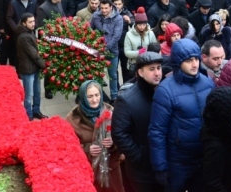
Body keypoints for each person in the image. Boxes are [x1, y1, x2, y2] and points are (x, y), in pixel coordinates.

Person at [149, 39, 215, 192]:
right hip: (178, 161)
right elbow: (157, 131)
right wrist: (160, 167)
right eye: (188, 60)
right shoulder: (165, 90)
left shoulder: (208, 83)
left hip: (203, 156)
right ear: (178, 62)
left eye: (196, 59)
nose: (194, 64)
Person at [113, 52, 164, 192]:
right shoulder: (127, 99)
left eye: (159, 68)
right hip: (142, 171)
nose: (157, 73)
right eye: (151, 69)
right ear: (140, 72)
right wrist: (137, 156)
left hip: (164, 164)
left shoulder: (165, 92)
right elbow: (119, 133)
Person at [67, 80, 124, 192]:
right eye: (90, 96)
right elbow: (68, 146)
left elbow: (122, 136)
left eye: (97, 95)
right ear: (83, 96)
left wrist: (113, 142)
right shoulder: (73, 118)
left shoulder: (110, 111)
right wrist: (87, 149)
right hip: (89, 169)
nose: (94, 100)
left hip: (111, 166)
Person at [15, 12, 48, 120]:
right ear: (24, 23)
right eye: (30, 22)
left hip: (34, 68)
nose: (33, 23)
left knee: (37, 93)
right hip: (28, 70)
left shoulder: (29, 32)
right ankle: (28, 115)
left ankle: (36, 111)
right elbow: (34, 54)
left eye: (34, 21)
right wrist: (44, 65)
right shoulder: (24, 36)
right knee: (29, 95)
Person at [91, 0, 124, 101]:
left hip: (112, 51)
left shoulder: (118, 18)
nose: (104, 10)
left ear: (111, 7)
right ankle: (99, 96)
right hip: (97, 51)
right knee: (98, 76)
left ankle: (114, 97)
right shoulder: (96, 15)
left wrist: (105, 48)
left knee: (113, 75)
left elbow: (116, 36)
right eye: (102, 8)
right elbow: (89, 27)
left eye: (106, 8)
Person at [123, 9, 159, 79]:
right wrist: (138, 52)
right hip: (134, 64)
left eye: (144, 24)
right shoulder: (129, 34)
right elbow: (127, 52)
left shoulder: (150, 33)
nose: (142, 27)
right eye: (139, 24)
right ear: (136, 24)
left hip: (148, 63)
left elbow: (155, 48)